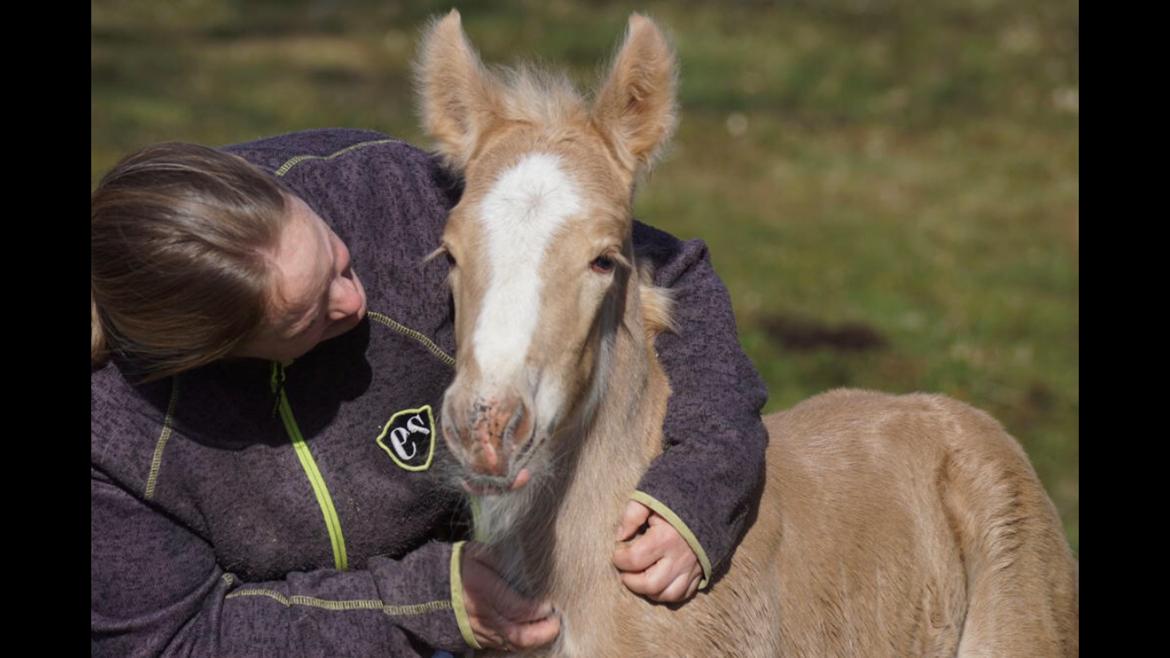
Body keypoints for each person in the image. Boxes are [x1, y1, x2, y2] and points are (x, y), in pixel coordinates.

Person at [91, 128, 769, 656]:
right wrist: (428, 603)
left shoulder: (382, 190)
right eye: (307, 317)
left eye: (335, 255)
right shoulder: (113, 444)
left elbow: (663, 268)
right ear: (214, 355)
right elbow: (176, 643)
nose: (354, 301)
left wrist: (706, 477)